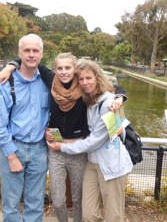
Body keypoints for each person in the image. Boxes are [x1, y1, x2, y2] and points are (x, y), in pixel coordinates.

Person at [0, 53, 127, 222]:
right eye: (60, 68)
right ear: (55, 69)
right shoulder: (51, 81)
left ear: (74, 70)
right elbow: (30, 57)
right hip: (56, 150)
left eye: (68, 68)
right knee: (57, 200)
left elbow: (113, 88)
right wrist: (10, 66)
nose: (64, 72)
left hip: (82, 151)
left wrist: (119, 97)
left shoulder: (84, 90)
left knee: (80, 199)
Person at [47, 58, 133, 222]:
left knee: (113, 216)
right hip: (92, 163)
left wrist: (62, 147)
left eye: (89, 78)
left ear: (97, 78)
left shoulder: (108, 104)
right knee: (89, 215)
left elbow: (94, 141)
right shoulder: (87, 100)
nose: (85, 83)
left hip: (111, 164)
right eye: (81, 79)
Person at [0, 34, 50, 222]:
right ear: (19, 53)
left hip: (40, 150)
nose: (31, 54)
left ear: (41, 54)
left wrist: (119, 96)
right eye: (27, 50)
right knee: (11, 204)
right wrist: (12, 156)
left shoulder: (48, 82)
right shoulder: (6, 83)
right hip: (14, 148)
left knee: (35, 202)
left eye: (35, 50)